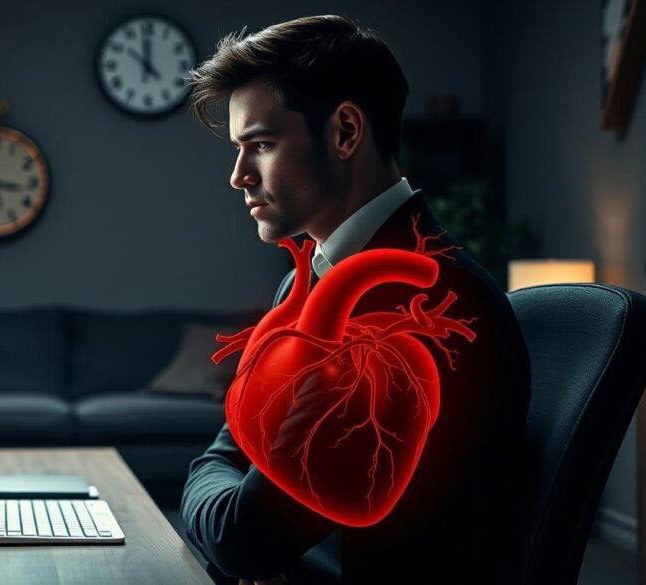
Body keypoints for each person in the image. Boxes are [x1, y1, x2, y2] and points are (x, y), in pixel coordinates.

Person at [181, 15, 531, 584]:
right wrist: (225, 494)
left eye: (261, 145)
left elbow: (242, 538)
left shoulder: (415, 306)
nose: (238, 175)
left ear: (345, 132)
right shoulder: (309, 282)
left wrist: (219, 497)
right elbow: (229, 456)